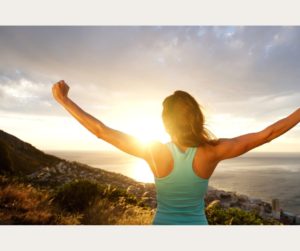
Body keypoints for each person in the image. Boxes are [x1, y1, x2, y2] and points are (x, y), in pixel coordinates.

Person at [52, 80, 300, 225]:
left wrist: (63, 100)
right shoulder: (212, 152)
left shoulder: (154, 152)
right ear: (196, 117)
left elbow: (101, 131)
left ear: (166, 122)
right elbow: (267, 134)